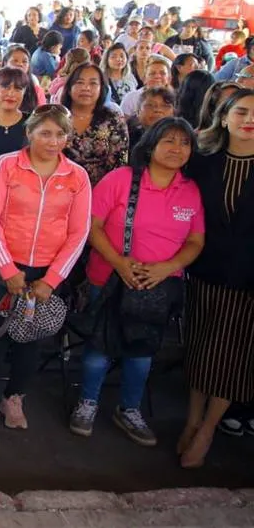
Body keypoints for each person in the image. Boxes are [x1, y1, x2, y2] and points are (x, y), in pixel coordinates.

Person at [71, 118, 203, 446]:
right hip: (110, 277)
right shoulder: (121, 179)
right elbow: (92, 226)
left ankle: (129, 408)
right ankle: (87, 402)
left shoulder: (190, 190)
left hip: (157, 287)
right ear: (151, 144)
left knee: (141, 353)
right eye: (169, 141)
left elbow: (195, 242)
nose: (177, 149)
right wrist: (119, 262)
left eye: (184, 143)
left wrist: (165, 268)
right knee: (99, 349)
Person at [0, 105, 91, 430]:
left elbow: (78, 231)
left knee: (32, 338)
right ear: (29, 133)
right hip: (3, 266)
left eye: (60, 134)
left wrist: (52, 280)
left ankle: (15, 397)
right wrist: (7, 269)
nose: (53, 141)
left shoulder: (76, 176)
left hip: (46, 273)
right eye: (45, 133)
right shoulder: (5, 166)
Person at [179, 89, 254, 468]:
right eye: (240, 112)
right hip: (204, 270)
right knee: (200, 345)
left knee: (232, 355)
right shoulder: (204, 162)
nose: (248, 120)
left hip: (248, 280)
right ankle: (192, 418)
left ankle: (208, 427)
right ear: (224, 118)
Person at [62, 64, 130, 185]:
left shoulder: (113, 118)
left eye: (93, 83)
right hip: (58, 188)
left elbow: (120, 162)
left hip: (102, 191)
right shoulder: (56, 117)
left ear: (101, 89)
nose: (86, 88)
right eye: (79, 82)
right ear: (69, 88)